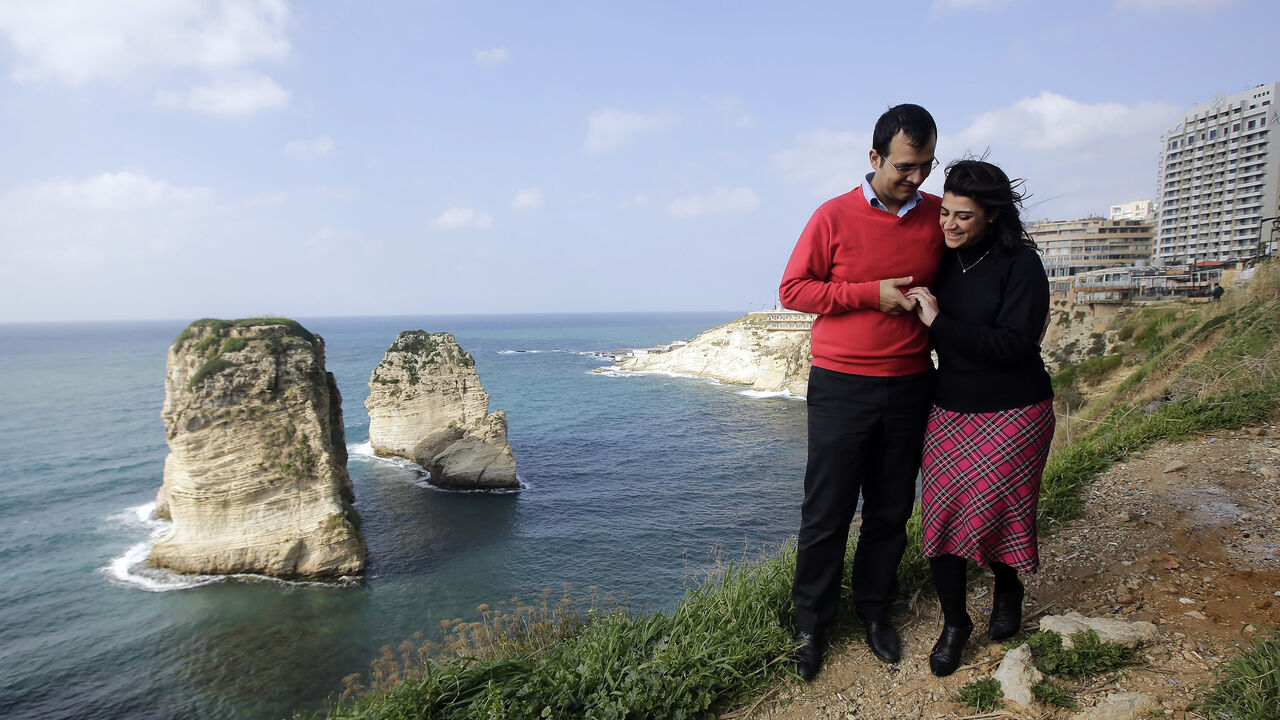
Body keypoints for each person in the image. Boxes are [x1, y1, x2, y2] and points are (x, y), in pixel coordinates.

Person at [779, 103, 945, 680]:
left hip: (909, 383)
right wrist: (868, 295)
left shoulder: (936, 217)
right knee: (826, 511)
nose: (916, 178)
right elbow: (794, 290)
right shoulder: (832, 216)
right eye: (905, 166)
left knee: (890, 509)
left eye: (926, 165)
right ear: (874, 157)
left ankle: (875, 611)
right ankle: (811, 623)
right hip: (842, 384)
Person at [904, 160, 1055, 677]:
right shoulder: (942, 261)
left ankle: (1008, 588)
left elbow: (1013, 346)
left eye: (962, 216)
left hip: (1015, 411)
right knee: (942, 516)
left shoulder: (1022, 266)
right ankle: (955, 623)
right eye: (944, 212)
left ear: (992, 215)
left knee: (998, 513)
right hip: (951, 409)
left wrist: (940, 324)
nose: (947, 224)